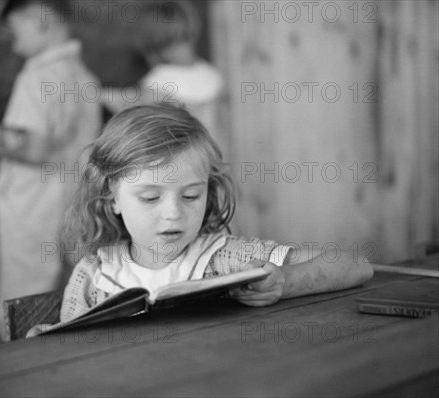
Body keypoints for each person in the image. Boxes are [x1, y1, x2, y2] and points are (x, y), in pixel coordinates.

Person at [31, 104, 373, 331]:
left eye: (191, 195)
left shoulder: (227, 259)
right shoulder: (93, 275)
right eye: (150, 197)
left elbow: (356, 264)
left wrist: (284, 282)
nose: (174, 213)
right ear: (112, 197)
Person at [0, 0, 101, 339]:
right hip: (74, 209)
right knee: (71, 307)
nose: (13, 41)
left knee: (22, 310)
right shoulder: (84, 77)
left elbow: (34, 147)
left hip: (33, 212)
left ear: (42, 19)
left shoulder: (38, 76)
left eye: (15, 29)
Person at [105, 1, 224, 146]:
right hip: (208, 155)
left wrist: (98, 92)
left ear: (154, 46)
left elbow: (129, 106)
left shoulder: (159, 80)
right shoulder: (212, 76)